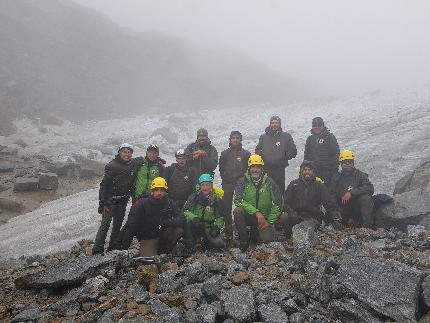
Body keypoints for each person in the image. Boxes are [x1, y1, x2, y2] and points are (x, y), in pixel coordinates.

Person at [116, 177, 185, 256]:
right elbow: (131, 226)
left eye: (162, 190)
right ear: (152, 191)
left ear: (166, 192)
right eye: (156, 190)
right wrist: (124, 248)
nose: (159, 193)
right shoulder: (141, 204)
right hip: (148, 237)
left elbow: (181, 219)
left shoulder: (170, 203)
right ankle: (154, 251)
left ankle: (163, 252)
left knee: (179, 230)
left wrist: (166, 222)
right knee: (148, 261)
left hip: (163, 234)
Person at [233, 154, 286, 251]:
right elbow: (238, 200)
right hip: (249, 216)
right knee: (238, 211)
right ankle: (244, 240)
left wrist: (269, 221)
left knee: (266, 240)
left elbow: (278, 203)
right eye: (253, 167)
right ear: (249, 168)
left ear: (262, 169)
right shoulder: (242, 181)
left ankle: (254, 233)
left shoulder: (269, 182)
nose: (255, 170)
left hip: (264, 219)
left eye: (258, 167)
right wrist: (256, 213)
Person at [92, 143, 137, 255]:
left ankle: (112, 249)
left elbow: (144, 160)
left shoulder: (132, 164)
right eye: (124, 152)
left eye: (129, 152)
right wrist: (102, 204)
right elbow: (104, 185)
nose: (127, 154)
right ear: (119, 152)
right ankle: (97, 250)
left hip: (123, 201)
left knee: (117, 227)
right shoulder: (112, 166)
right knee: (105, 226)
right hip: (110, 202)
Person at [283, 160, 339, 239]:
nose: (307, 172)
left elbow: (328, 202)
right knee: (283, 217)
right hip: (295, 215)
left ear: (313, 172)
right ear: (301, 171)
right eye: (305, 170)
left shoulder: (319, 185)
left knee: (301, 229)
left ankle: (298, 239)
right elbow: (285, 202)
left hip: (312, 217)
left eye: (309, 170)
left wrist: (334, 216)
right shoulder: (294, 184)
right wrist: (291, 212)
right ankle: (287, 237)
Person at [330, 150, 375, 228]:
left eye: (350, 162)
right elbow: (332, 195)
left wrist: (351, 192)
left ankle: (367, 227)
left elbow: (370, 188)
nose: (347, 164)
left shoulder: (360, 175)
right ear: (341, 163)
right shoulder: (336, 177)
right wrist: (335, 210)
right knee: (331, 212)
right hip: (343, 208)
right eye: (345, 162)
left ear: (353, 163)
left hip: (357, 207)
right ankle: (346, 222)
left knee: (366, 198)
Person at [219, 131, 251, 239]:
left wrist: (243, 180)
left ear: (240, 140)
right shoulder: (224, 153)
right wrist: (225, 177)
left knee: (241, 206)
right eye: (233, 138)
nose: (235, 140)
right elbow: (221, 168)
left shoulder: (246, 154)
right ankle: (228, 229)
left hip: (241, 183)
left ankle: (242, 227)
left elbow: (249, 169)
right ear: (230, 140)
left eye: (237, 138)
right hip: (227, 183)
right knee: (226, 207)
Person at [183, 174, 225, 250]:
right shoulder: (194, 196)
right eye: (203, 185)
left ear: (211, 186)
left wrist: (216, 227)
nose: (205, 188)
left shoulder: (216, 199)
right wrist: (194, 218)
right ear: (200, 186)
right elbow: (185, 211)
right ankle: (191, 243)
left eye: (207, 185)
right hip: (195, 225)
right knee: (188, 221)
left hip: (208, 227)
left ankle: (205, 242)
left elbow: (220, 217)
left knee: (219, 243)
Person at [255, 116, 297, 193]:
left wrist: (283, 156)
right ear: (270, 124)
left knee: (279, 191)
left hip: (279, 169)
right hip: (266, 169)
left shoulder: (286, 136)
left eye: (277, 123)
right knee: (266, 191)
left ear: (280, 124)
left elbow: (293, 151)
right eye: (273, 123)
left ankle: (280, 205)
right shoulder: (263, 137)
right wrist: (263, 155)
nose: (275, 124)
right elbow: (257, 150)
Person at [304, 117, 340, 184]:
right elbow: (306, 155)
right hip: (314, 172)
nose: (317, 127)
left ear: (323, 125)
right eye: (315, 125)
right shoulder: (310, 139)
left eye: (319, 125)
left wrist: (334, 171)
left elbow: (336, 154)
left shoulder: (330, 137)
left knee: (327, 191)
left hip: (328, 172)